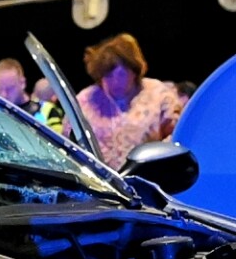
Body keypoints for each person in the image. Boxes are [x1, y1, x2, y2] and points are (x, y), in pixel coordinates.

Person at [75, 32, 185, 168]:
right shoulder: (85, 101)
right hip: (97, 183)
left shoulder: (159, 94)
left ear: (134, 71)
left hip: (148, 178)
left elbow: (178, 135)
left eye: (120, 75)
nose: (114, 82)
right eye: (107, 76)